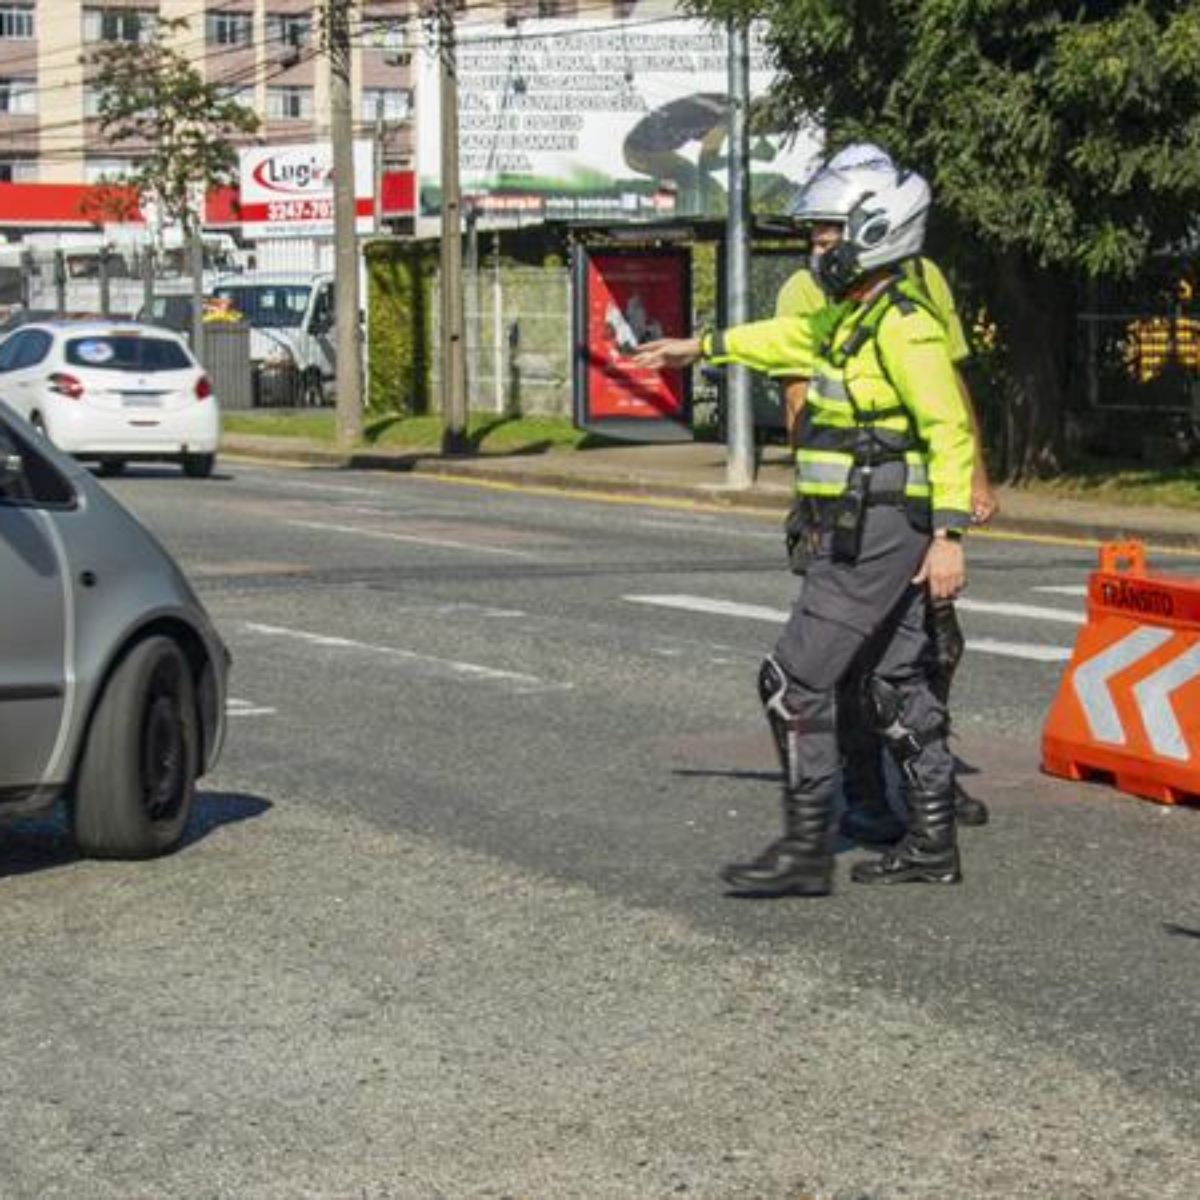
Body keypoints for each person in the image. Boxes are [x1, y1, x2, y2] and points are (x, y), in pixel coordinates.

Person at [630, 155, 975, 895]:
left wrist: (949, 536)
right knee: (891, 682)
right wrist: (701, 347)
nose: (817, 247)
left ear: (874, 232)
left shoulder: (904, 328)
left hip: (877, 530)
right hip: (868, 525)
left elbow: (949, 428)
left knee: (792, 682)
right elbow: (781, 339)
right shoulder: (851, 319)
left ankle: (808, 849)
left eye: (826, 234)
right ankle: (933, 843)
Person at [771, 143, 995, 845]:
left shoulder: (923, 275)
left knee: (932, 645)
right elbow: (800, 394)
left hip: (917, 497)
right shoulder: (809, 285)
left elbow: (949, 384)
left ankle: (929, 776)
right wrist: (821, 494)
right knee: (849, 653)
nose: (822, 239)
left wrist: (975, 476)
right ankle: (864, 791)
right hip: (846, 497)